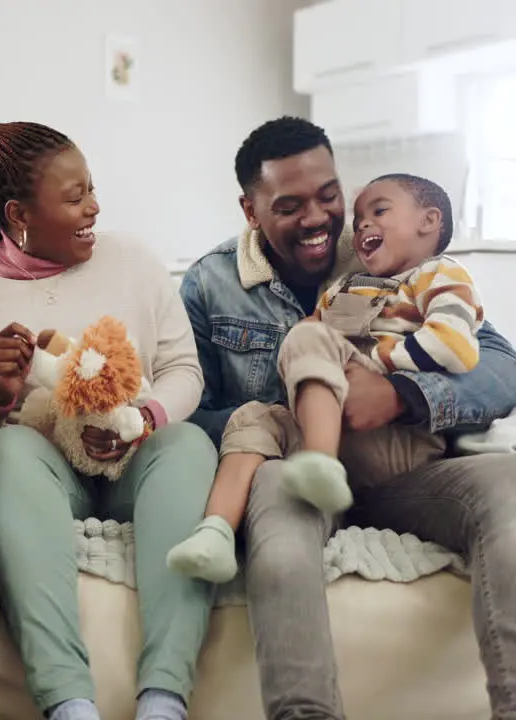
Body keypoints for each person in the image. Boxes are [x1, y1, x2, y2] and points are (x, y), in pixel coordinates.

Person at [179, 115, 516, 719]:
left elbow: (499, 366)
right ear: (250, 210)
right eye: (289, 205)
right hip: (296, 467)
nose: (318, 218)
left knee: (508, 484)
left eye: (329, 195)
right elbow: (193, 415)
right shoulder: (210, 284)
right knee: (279, 528)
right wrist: (294, 414)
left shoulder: (389, 255)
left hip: (405, 465)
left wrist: (402, 397)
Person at [0, 119, 217, 720]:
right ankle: (68, 703)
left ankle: (165, 699)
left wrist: (142, 417)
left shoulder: (133, 261)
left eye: (91, 189)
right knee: (8, 453)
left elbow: (183, 371)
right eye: (74, 197)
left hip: (140, 463)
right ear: (17, 216)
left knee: (189, 444)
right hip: (45, 479)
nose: (93, 207)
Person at [168, 173, 484, 583]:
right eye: (359, 216)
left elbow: (454, 346)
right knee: (252, 416)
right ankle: (214, 533)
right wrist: (318, 330)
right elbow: (314, 329)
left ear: (429, 221)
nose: (363, 224)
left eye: (379, 211)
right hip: (342, 437)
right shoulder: (354, 286)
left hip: (400, 440)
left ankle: (319, 462)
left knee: (309, 338)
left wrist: (376, 370)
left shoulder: (443, 275)